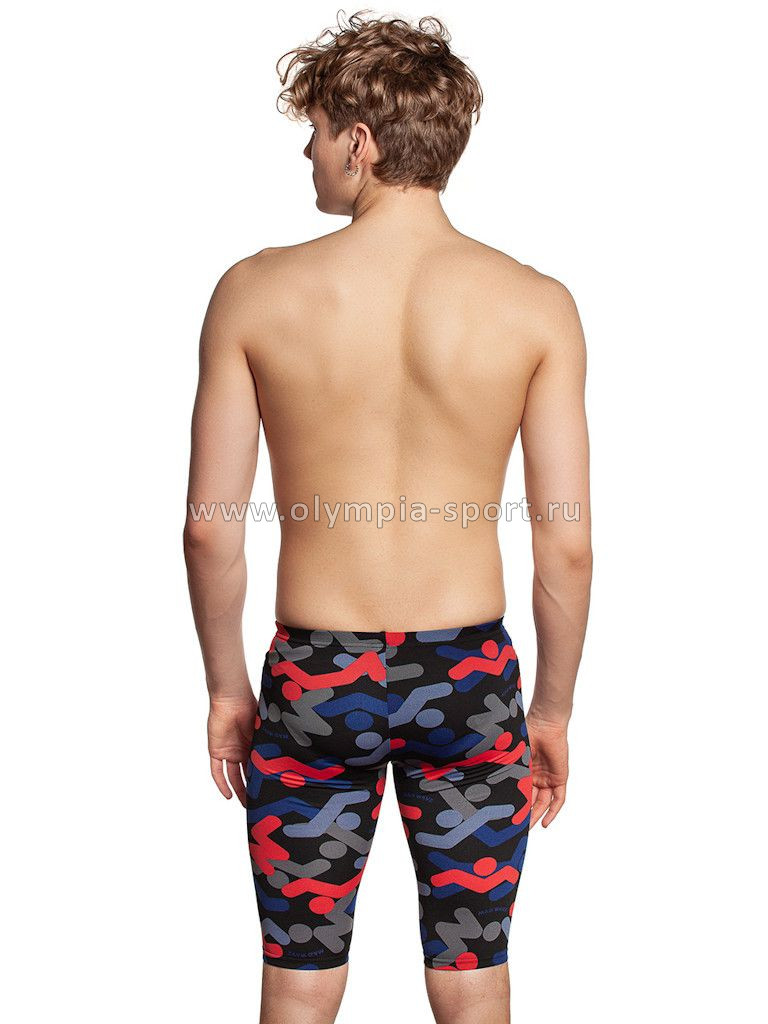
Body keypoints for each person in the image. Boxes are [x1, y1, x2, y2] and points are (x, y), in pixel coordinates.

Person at [184, 12, 591, 1024]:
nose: (309, 155)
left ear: (360, 142)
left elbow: (210, 529)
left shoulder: (255, 292)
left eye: (317, 132)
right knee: (471, 969)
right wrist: (550, 711)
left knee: (299, 974)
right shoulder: (536, 304)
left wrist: (229, 687)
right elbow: (566, 544)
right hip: (470, 681)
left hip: (314, 678)